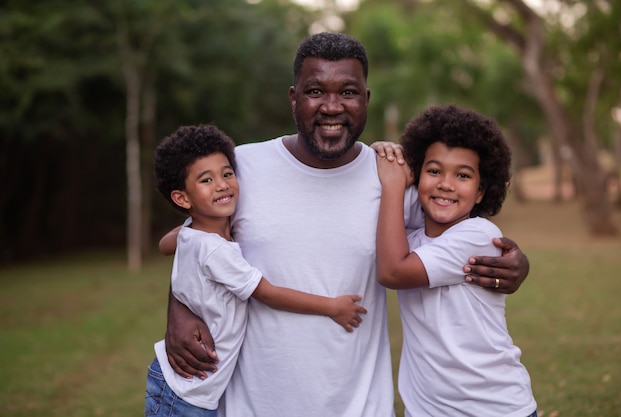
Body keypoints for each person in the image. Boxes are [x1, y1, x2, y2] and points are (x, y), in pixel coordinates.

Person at [161, 33, 530, 417]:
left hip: (360, 405)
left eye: (348, 92)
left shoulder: (393, 179)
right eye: (316, 91)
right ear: (294, 98)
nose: (332, 107)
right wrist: (180, 310)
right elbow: (193, 242)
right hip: (256, 404)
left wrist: (517, 262)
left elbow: (458, 229)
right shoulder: (243, 169)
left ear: (366, 99)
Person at [145, 124, 367, 417]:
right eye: (206, 180)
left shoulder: (191, 232)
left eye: (226, 174)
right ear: (182, 199)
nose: (222, 185)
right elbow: (268, 293)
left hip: (186, 386)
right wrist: (332, 306)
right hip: (186, 393)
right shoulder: (216, 251)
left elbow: (164, 244)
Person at [376, 104, 537, 416]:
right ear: (417, 173)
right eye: (434, 171)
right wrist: (386, 154)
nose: (446, 184)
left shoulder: (477, 235)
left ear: (480, 192)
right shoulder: (410, 237)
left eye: (463, 175)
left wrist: (393, 183)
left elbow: (393, 272)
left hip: (494, 408)